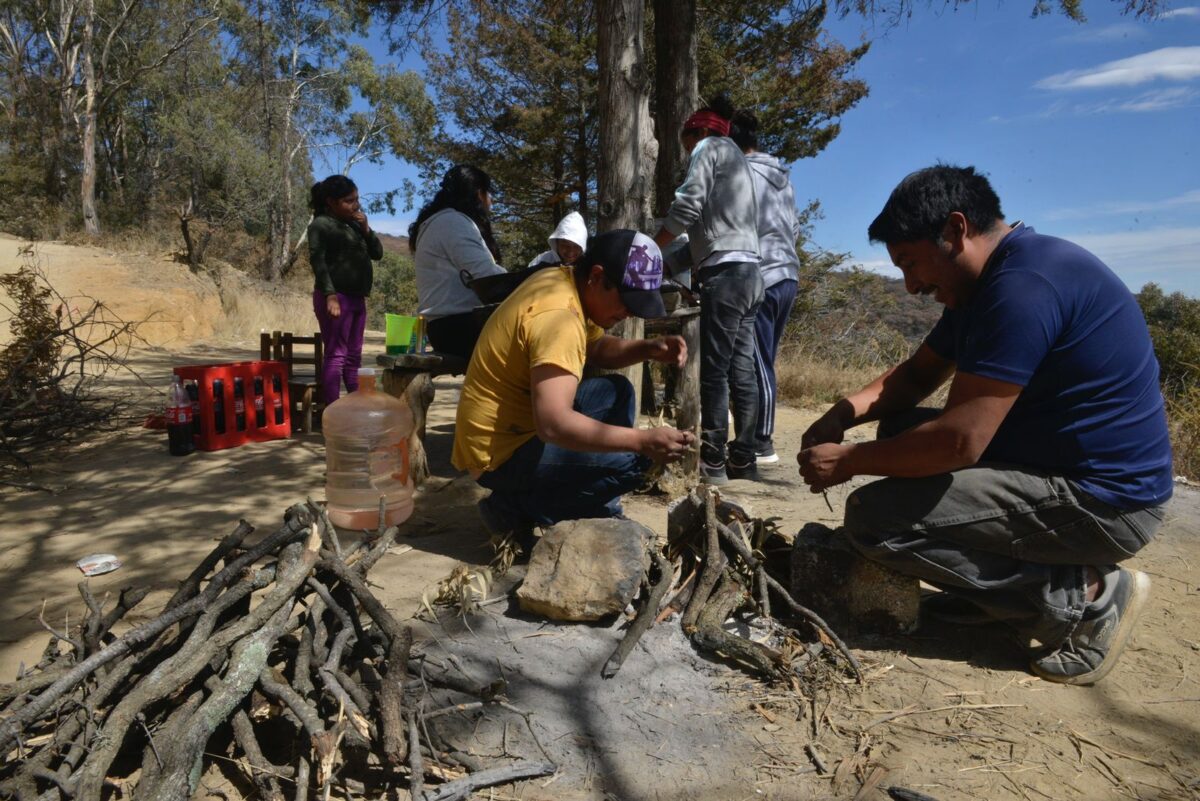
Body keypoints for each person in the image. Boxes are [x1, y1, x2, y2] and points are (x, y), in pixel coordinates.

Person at [797, 165, 1173, 685]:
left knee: (874, 519)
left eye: (910, 263)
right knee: (899, 430)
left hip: (1106, 502)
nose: (910, 287)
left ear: (955, 230)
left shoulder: (1024, 287)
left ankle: (1082, 599)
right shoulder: (988, 282)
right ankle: (1002, 592)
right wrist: (842, 414)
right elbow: (916, 377)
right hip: (1058, 465)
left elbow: (960, 441)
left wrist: (850, 462)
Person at [453, 229, 694, 543]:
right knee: (636, 461)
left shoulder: (565, 282)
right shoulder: (560, 317)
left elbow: (595, 349)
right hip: (498, 456)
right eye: (626, 301)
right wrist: (641, 440)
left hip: (510, 430)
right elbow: (554, 424)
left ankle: (596, 503)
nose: (629, 313)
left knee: (618, 391)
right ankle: (513, 509)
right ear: (597, 276)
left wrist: (648, 348)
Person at [653, 95, 762, 485]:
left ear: (696, 131)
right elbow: (715, 231)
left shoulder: (708, 148)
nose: (686, 152)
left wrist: (653, 245)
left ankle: (713, 463)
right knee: (742, 368)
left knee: (714, 372)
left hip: (726, 276)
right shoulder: (738, 159)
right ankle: (743, 460)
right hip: (751, 273)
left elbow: (688, 207)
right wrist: (671, 262)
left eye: (685, 142)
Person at [730, 110, 801, 466]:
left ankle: (762, 441)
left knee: (757, 362)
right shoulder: (781, 177)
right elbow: (794, 227)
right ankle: (757, 433)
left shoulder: (743, 174)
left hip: (762, 274)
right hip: (787, 272)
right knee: (764, 358)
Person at [410, 165, 506, 360]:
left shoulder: (439, 221)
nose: (492, 200)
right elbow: (488, 276)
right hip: (458, 328)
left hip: (445, 328)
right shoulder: (453, 222)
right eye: (489, 193)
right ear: (479, 194)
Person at [308, 174, 383, 406]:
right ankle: (332, 412)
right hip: (336, 297)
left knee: (353, 358)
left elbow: (377, 253)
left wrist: (366, 229)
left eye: (356, 199)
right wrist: (330, 295)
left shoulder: (353, 224)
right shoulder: (320, 225)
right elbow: (317, 262)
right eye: (349, 201)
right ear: (331, 202)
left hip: (356, 298)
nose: (356, 205)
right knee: (337, 355)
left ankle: (355, 409)